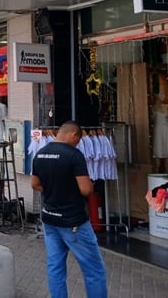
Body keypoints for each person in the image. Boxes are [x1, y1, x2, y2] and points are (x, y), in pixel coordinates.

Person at [31, 121, 107, 298]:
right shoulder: (74, 155)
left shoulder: (40, 154)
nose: (78, 144)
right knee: (94, 270)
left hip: (49, 219)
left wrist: (52, 189)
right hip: (73, 221)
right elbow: (86, 189)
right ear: (74, 135)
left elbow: (35, 184)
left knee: (55, 267)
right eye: (78, 140)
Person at [152, 91, 168, 173]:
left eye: (164, 93)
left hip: (167, 132)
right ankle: (155, 179)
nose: (164, 96)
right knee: (157, 157)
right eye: (161, 94)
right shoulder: (152, 108)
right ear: (156, 95)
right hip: (158, 133)